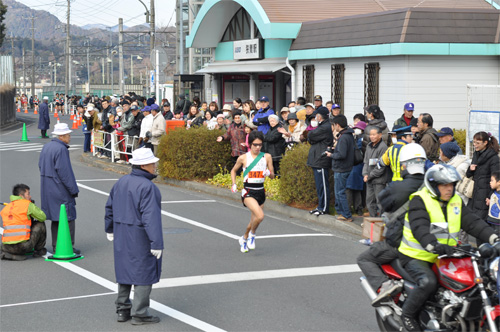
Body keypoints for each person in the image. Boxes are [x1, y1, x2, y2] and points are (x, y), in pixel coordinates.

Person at [397, 164, 499, 331]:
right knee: (428, 282)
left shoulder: (456, 200)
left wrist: (495, 238)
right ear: (433, 185)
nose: (449, 189)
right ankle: (408, 315)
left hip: (446, 255)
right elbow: (419, 227)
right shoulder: (419, 199)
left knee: (477, 279)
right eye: (444, 185)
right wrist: (433, 245)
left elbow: (473, 223)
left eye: (451, 184)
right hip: (417, 255)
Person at [357, 143, 426, 305]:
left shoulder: (397, 187)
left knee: (364, 259)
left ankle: (385, 287)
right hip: (431, 242)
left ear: (405, 165)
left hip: (402, 242)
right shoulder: (433, 186)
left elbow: (383, 205)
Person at [104, 148, 163, 325]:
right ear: (144, 165)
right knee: (143, 272)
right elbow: (150, 217)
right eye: (153, 163)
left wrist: (109, 229)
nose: (155, 166)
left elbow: (109, 208)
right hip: (140, 235)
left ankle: (122, 310)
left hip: (122, 233)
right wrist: (156, 242)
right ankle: (140, 313)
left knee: (125, 270)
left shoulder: (121, 182)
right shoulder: (148, 187)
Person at [38, 123, 80, 254]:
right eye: (68, 135)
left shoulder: (47, 147)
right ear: (61, 136)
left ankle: (56, 245)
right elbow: (65, 173)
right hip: (60, 188)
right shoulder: (61, 149)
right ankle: (68, 246)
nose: (69, 137)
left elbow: (40, 165)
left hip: (47, 187)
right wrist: (73, 190)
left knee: (56, 217)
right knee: (68, 216)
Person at [230, 131, 274, 253]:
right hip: (248, 191)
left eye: (260, 145)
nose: (257, 147)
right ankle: (252, 236)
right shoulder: (243, 158)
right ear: (250, 144)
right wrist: (234, 184)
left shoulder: (267, 157)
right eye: (255, 144)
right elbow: (233, 171)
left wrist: (268, 173)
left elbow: (273, 176)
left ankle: (244, 239)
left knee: (254, 220)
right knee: (260, 216)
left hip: (260, 191)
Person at [0, 184, 47, 260]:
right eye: (28, 194)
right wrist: (32, 205)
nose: (30, 196)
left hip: (6, 246)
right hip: (22, 247)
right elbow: (42, 217)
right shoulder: (27, 205)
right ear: (21, 196)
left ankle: (12, 255)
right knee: (40, 224)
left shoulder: (6, 208)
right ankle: (38, 251)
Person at [466, 132, 500, 226]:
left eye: (477, 143)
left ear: (485, 143)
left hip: (485, 195)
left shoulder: (493, 158)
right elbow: (468, 175)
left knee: (482, 225)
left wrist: (490, 196)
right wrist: (470, 169)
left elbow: (496, 179)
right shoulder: (476, 154)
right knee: (475, 224)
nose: (475, 145)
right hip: (475, 193)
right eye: (474, 142)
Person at [326, 114, 355, 222]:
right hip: (346, 167)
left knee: (340, 192)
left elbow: (342, 155)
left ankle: (346, 214)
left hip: (341, 168)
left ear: (337, 125)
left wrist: (331, 155)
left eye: (334, 125)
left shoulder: (344, 137)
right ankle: (342, 212)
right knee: (340, 191)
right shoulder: (348, 135)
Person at [307, 106, 334, 216]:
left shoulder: (325, 127)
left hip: (321, 159)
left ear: (320, 116)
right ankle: (320, 206)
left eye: (317, 115)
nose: (315, 118)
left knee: (323, 185)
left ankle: (324, 208)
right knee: (319, 186)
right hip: (317, 159)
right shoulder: (323, 126)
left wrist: (310, 136)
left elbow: (310, 135)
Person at [363, 126, 389, 217]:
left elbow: (381, 167)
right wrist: (365, 174)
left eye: (374, 135)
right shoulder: (369, 146)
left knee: (380, 202)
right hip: (369, 179)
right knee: (369, 201)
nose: (372, 137)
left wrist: (369, 176)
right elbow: (366, 161)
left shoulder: (383, 147)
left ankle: (381, 222)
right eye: (370, 135)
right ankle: (372, 220)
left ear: (380, 135)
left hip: (379, 180)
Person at [346, 121, 366, 216]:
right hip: (357, 165)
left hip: (355, 164)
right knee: (356, 188)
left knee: (350, 188)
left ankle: (350, 208)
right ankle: (358, 208)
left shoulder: (360, 139)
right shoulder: (357, 138)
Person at [487, 171, 500, 236]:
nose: (490, 182)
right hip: (492, 221)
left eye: (492, 180)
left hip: (498, 223)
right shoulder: (494, 192)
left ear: (499, 182)